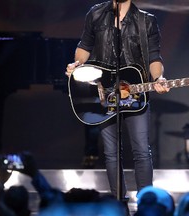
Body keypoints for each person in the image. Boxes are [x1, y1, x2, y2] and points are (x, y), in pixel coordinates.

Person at [66, 0, 169, 198]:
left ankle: (146, 201)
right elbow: (85, 46)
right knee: (111, 154)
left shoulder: (146, 21)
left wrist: (158, 78)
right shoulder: (96, 14)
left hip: (135, 93)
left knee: (141, 150)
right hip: (105, 91)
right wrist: (77, 64)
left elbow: (154, 57)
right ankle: (118, 203)